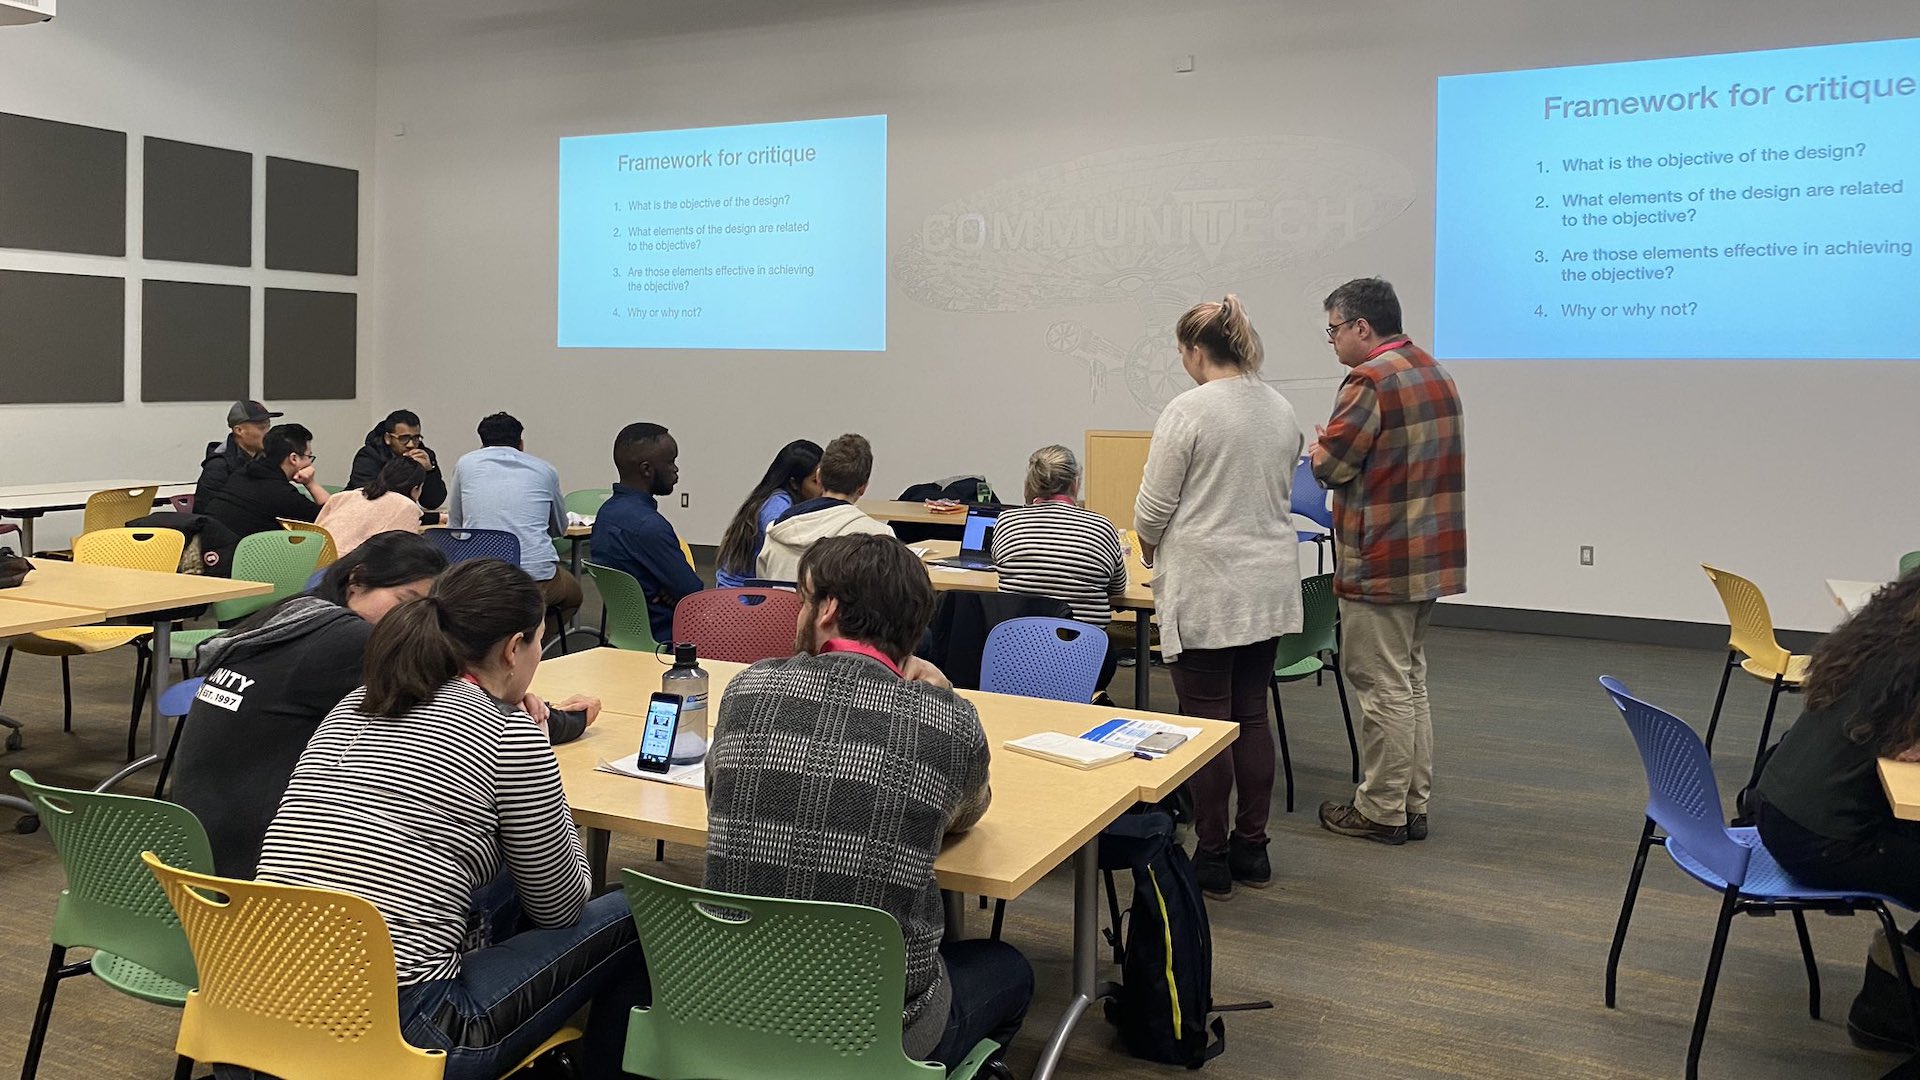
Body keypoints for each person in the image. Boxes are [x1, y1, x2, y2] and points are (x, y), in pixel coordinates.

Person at [254, 559, 642, 1080]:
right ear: (513, 648)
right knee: (632, 912)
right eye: (538, 644)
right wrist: (536, 772)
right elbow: (560, 907)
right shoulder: (511, 732)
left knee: (503, 881)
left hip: (259, 1010)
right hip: (409, 1034)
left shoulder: (357, 704)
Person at [706, 533, 1031, 1069]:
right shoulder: (945, 720)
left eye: (805, 600)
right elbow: (970, 810)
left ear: (828, 610)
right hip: (875, 1031)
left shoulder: (747, 690)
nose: (799, 613)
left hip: (734, 1006)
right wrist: (940, 694)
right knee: (1010, 971)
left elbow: (719, 797)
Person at [170, 532, 602, 878]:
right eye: (405, 604)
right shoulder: (354, 643)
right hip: (246, 869)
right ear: (356, 582)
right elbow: (474, 705)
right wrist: (566, 720)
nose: (416, 625)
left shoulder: (292, 615)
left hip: (196, 849)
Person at [1134, 294, 1303, 899]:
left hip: (1209, 585)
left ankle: (1211, 855)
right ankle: (1252, 850)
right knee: (1250, 715)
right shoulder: (1281, 409)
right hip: (1270, 582)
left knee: (1206, 725)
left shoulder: (1189, 410)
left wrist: (1149, 547)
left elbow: (1154, 505)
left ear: (1196, 350)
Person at [1311, 277, 1465, 847]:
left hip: (1381, 558)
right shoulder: (1435, 371)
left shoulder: (1369, 380)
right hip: (1426, 557)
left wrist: (1319, 445)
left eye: (1333, 330)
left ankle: (1380, 810)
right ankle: (1411, 803)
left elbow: (1332, 466)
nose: (1331, 341)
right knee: (1409, 682)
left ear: (1361, 327)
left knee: (1381, 688)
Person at [1752, 571, 1920, 1050]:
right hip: (1821, 839)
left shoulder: (1881, 642)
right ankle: (1890, 1012)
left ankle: (1887, 1001)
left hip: (1776, 806)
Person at [989, 444, 1128, 693]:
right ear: (1075, 483)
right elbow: (1117, 587)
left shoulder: (1007, 522)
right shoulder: (1101, 527)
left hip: (1015, 656)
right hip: (1083, 659)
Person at [447, 412, 581, 637]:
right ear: (521, 443)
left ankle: (510, 644)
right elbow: (560, 529)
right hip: (535, 577)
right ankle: (532, 644)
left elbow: (456, 528)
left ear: (482, 443)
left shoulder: (465, 464)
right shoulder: (545, 470)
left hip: (480, 576)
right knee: (573, 594)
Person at [588, 422, 706, 645]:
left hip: (628, 635)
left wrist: (668, 592)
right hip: (668, 639)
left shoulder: (606, 513)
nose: (676, 469)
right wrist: (669, 595)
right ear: (646, 470)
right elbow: (693, 596)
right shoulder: (648, 526)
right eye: (670, 461)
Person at [756, 433, 891, 582]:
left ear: (819, 477)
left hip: (781, 606)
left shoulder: (777, 528)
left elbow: (764, 584)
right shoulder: (880, 537)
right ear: (863, 487)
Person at [714, 439, 824, 589]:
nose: (823, 488)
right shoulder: (777, 506)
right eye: (815, 481)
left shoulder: (778, 499)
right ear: (794, 483)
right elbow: (785, 551)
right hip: (740, 599)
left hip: (751, 592)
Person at [201, 422, 330, 539]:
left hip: (211, 551)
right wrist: (310, 483)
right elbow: (332, 516)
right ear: (294, 459)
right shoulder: (282, 494)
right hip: (239, 560)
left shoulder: (242, 473)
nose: (309, 463)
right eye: (309, 456)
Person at [316, 456, 427, 555]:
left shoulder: (342, 497)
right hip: (349, 571)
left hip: (310, 563)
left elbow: (315, 532)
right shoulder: (407, 506)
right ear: (415, 489)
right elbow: (402, 555)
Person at [348, 408, 449, 511]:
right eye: (404, 438)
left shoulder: (423, 455)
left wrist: (430, 471)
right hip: (359, 512)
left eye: (416, 438)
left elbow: (433, 503)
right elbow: (369, 497)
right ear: (388, 438)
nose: (411, 445)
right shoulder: (369, 456)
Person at [192, 399, 282, 510]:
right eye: (262, 428)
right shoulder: (218, 466)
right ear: (239, 430)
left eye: (268, 426)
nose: (268, 433)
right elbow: (206, 513)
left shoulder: (268, 458)